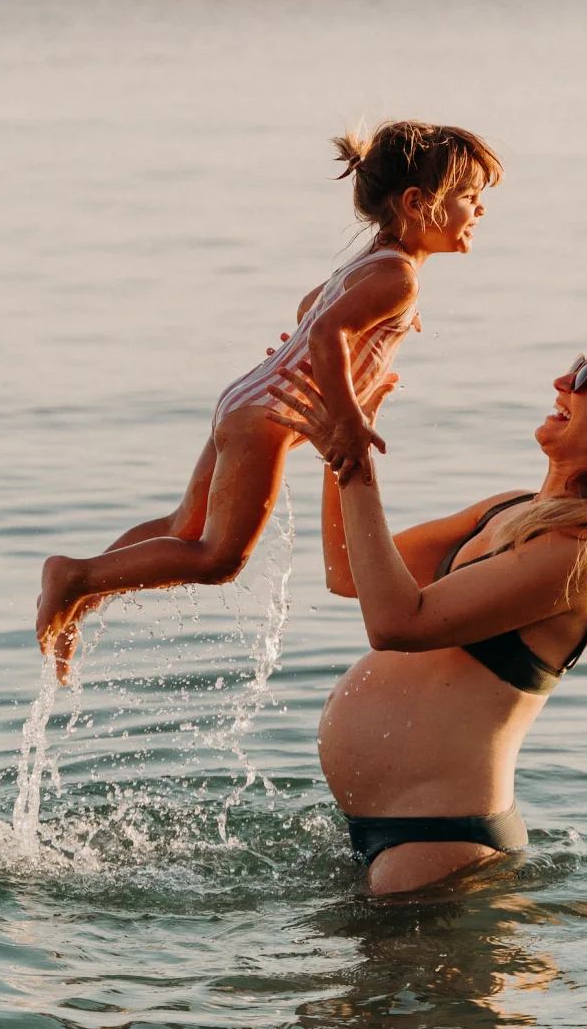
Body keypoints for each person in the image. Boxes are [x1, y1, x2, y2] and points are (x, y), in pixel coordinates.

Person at [35, 121, 503, 683]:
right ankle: (74, 577)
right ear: (416, 203)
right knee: (217, 559)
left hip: (244, 399)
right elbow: (327, 331)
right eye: (468, 197)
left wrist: (346, 348)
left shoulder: (374, 260)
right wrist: (348, 420)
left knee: (183, 525)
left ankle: (81, 597)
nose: (480, 210)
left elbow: (311, 308)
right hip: (264, 421)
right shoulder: (399, 279)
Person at [268, 330, 587, 895]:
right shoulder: (509, 510)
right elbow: (346, 570)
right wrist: (343, 436)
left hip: (440, 841)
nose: (563, 381)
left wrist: (354, 454)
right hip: (397, 832)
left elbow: (395, 624)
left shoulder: (579, 555)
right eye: (575, 363)